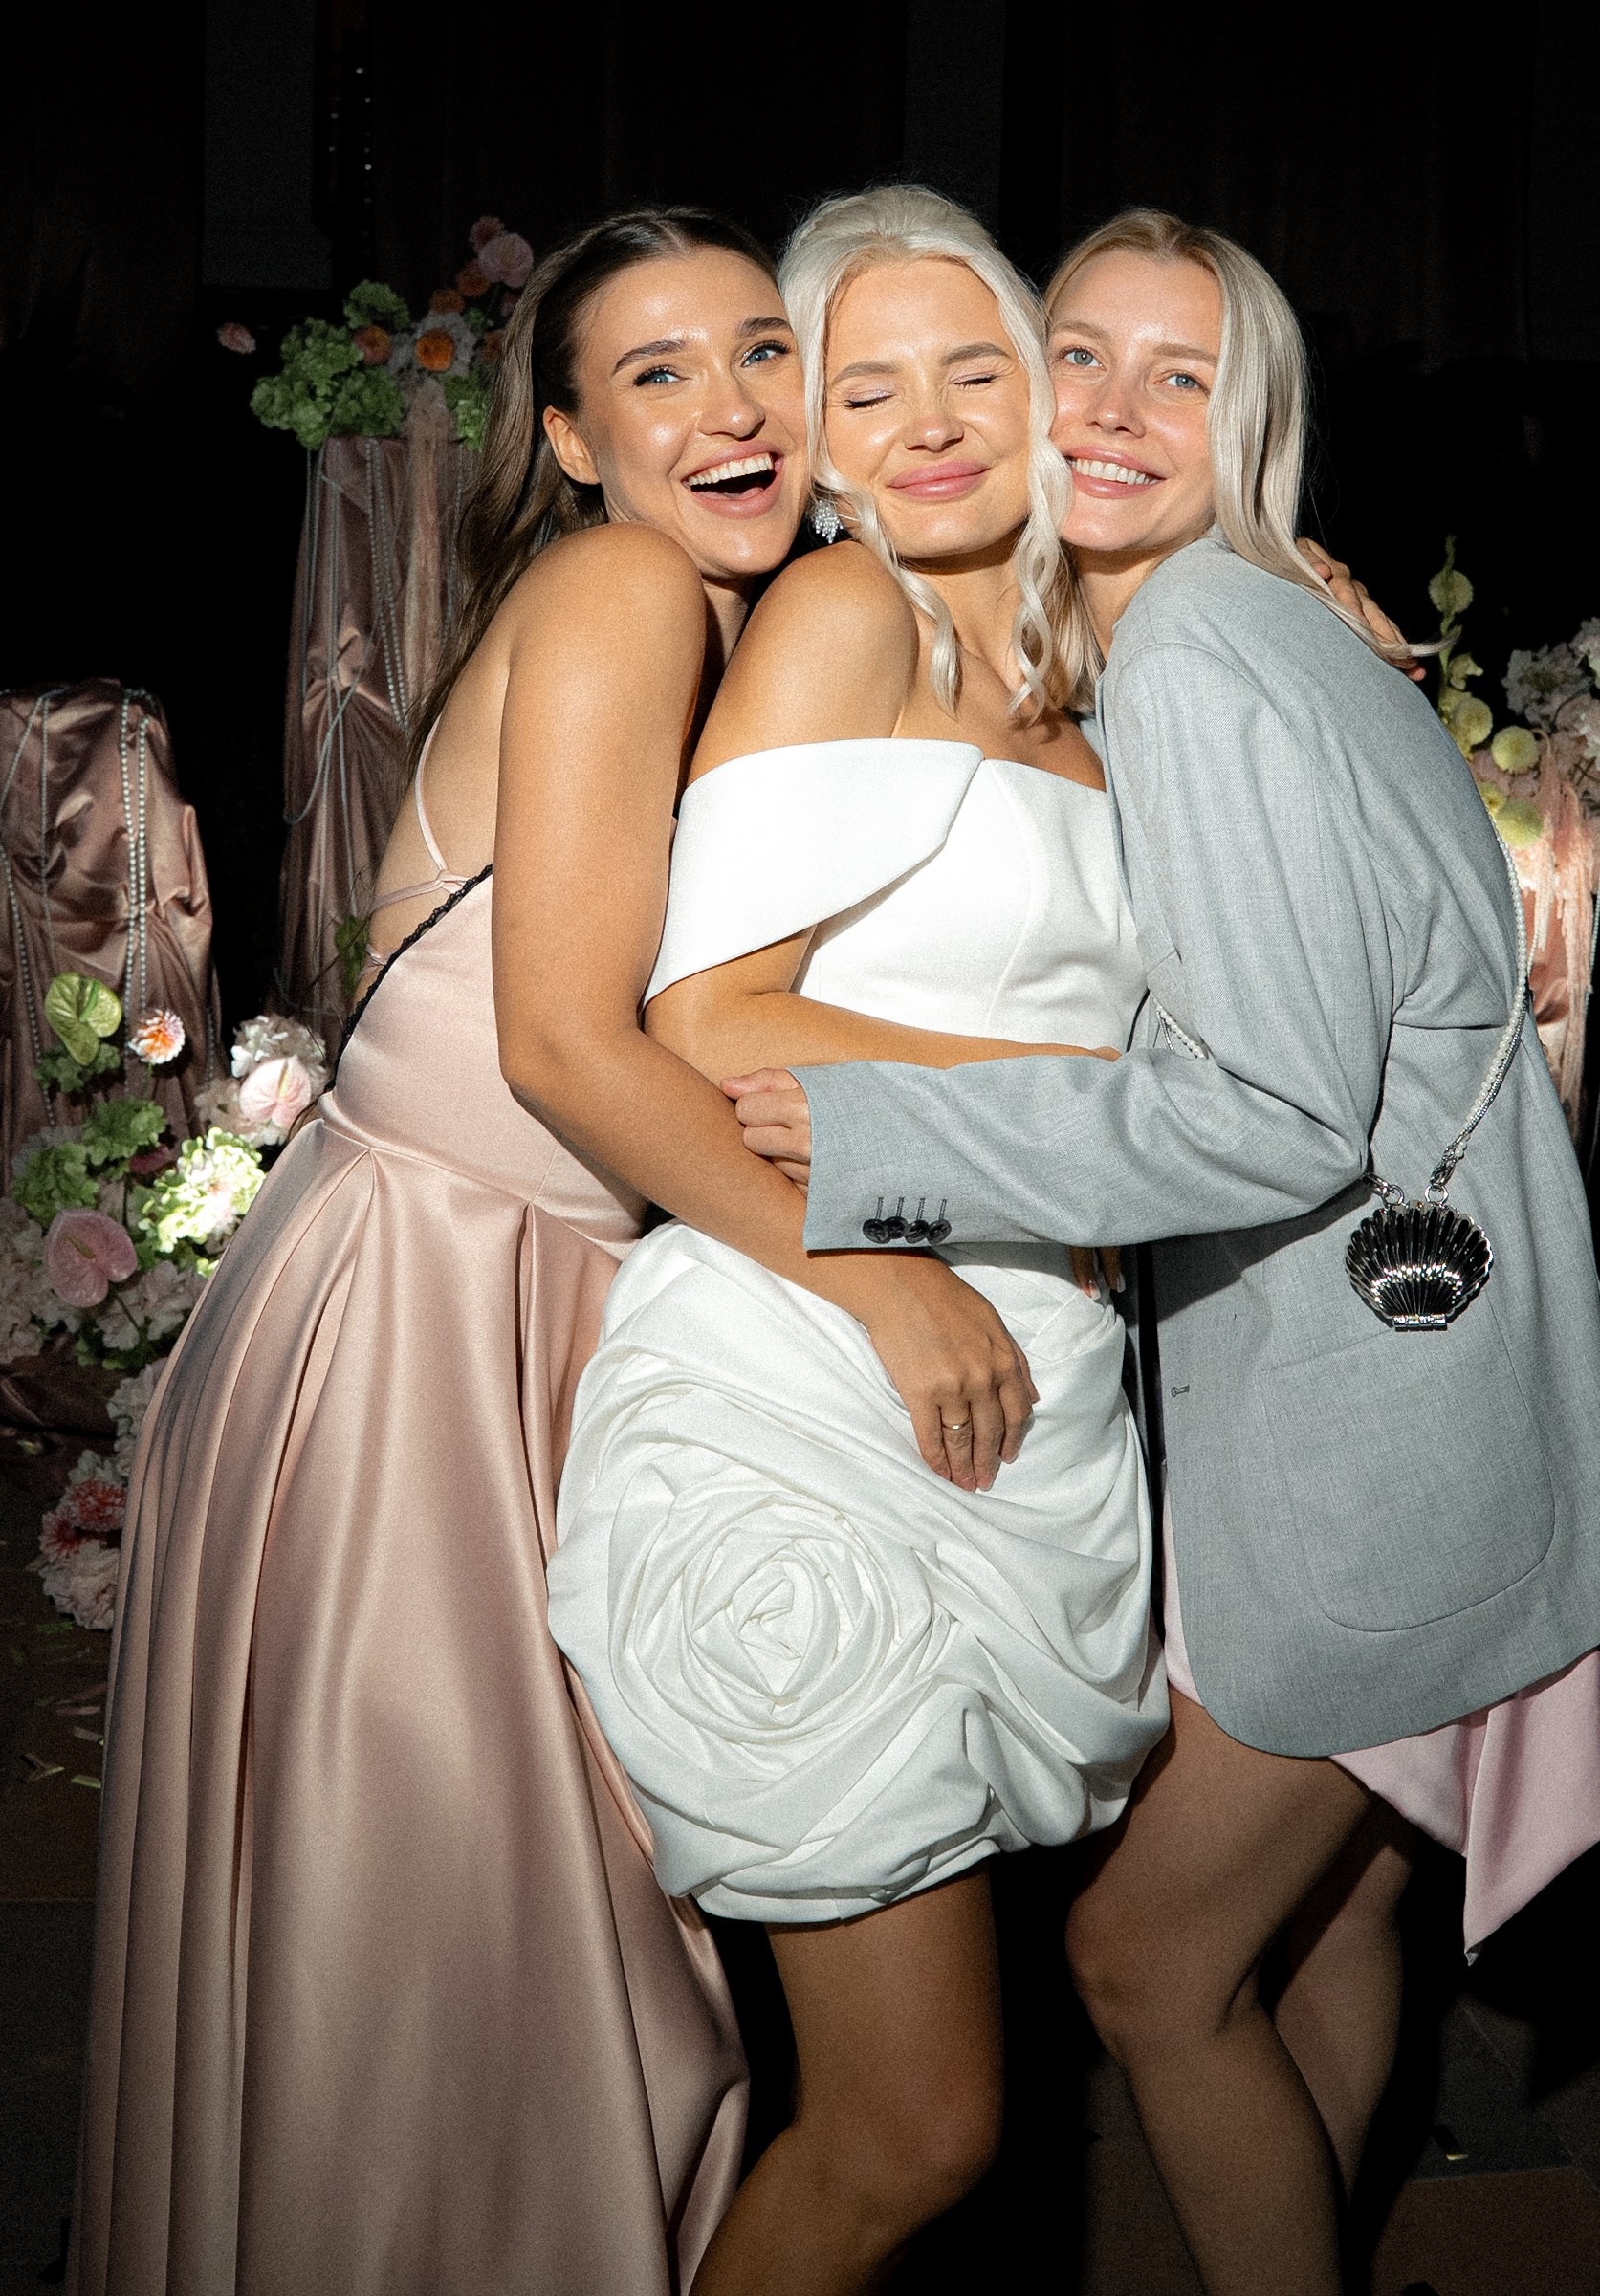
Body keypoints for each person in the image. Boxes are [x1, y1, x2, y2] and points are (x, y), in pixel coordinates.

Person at [74, 207, 1032, 2296]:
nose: (730, 407)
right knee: (468, 1955)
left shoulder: (758, 630)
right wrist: (873, 1276)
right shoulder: (621, 587)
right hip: (425, 1312)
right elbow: (569, 1051)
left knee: (510, 1951)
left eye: (761, 352)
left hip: (520, 1284)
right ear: (577, 441)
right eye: (656, 373)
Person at [732, 208, 1600, 2296]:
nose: (1118, 411)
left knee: (1145, 1967)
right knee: (1329, 1918)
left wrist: (886, 1135)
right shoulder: (1261, 622)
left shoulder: (1205, 659)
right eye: (1082, 354)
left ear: (1253, 422)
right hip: (1444, 1385)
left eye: (1183, 373)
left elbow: (1270, 1114)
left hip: (1372, 1444)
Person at [547, 186, 1172, 2296]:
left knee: (933, 2119)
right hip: (811, 1387)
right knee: (916, 2130)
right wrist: (1110, 1112)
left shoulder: (1103, 665)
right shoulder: (845, 617)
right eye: (864, 386)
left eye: (973, 369)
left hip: (1030, 1394)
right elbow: (709, 1019)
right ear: (811, 433)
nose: (928, 425)